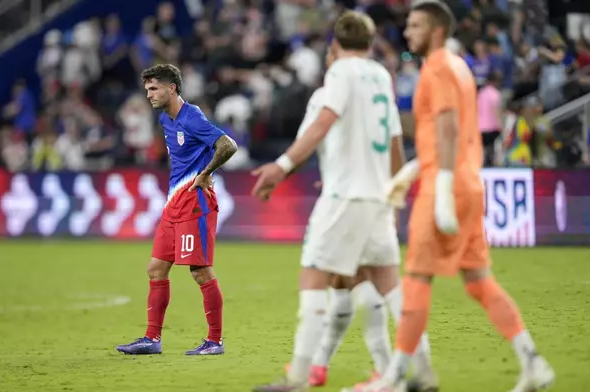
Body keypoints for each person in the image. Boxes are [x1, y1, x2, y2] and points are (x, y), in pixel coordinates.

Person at [343, 2, 555, 391]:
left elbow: (448, 130)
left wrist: (439, 190)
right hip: (469, 183)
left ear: (436, 29)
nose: (407, 33)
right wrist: (409, 173)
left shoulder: (438, 67)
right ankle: (533, 362)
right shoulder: (458, 65)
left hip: (450, 186)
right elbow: (447, 135)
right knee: (478, 281)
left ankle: (395, 378)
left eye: (416, 25)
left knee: (417, 279)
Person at [250, 11, 432, 392]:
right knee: (390, 287)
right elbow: (396, 142)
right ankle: (423, 371)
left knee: (315, 276)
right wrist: (396, 194)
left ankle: (299, 377)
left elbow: (323, 122)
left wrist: (281, 167)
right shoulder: (382, 76)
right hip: (379, 195)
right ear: (371, 43)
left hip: (344, 195)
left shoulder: (339, 76)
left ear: (334, 45)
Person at [116, 64, 237, 356]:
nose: (149, 95)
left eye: (154, 88)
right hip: (174, 204)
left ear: (172, 88)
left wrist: (207, 172)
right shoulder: (165, 120)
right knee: (156, 269)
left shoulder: (191, 117)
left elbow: (228, 145)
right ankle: (151, 339)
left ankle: (215, 341)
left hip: (196, 204)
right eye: (147, 89)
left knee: (200, 272)